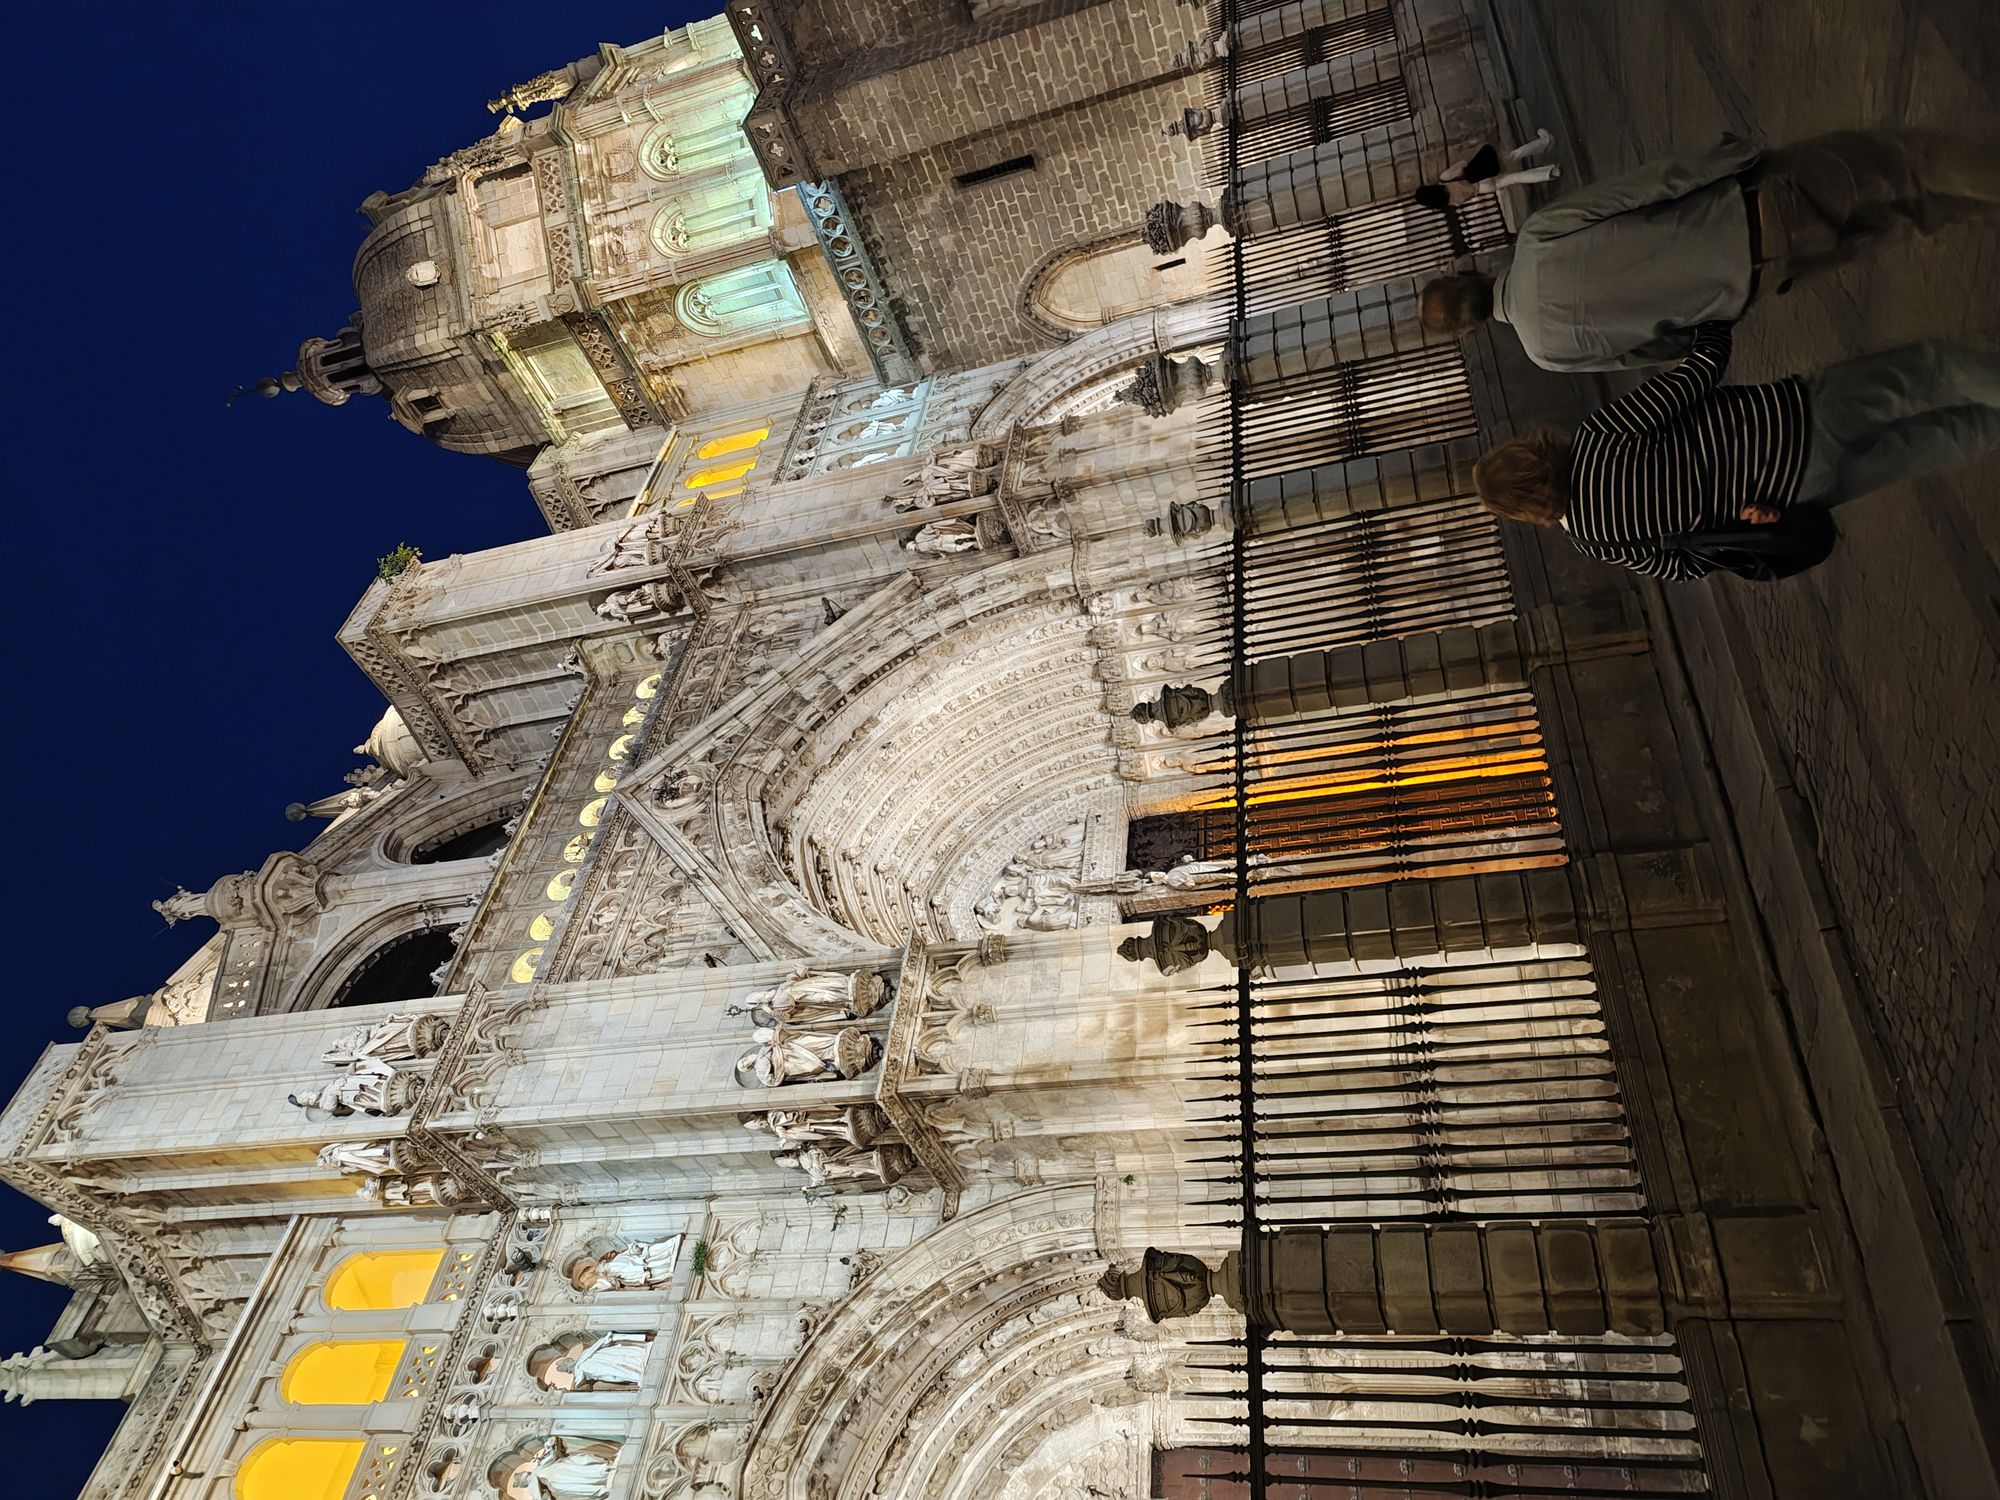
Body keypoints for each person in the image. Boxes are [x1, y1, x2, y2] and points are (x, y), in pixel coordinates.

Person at [1421, 129, 2000, 371]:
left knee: (1902, 221)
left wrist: (1718, 305)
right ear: (1469, 272)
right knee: (1902, 162)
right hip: (1750, 208)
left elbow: (1657, 349)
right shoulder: (1539, 237)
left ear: (1472, 331)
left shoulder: (1547, 355)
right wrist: (1733, 155)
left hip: (1752, 284)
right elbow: (1646, 187)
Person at [1471, 322, 2000, 581]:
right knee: (1931, 369)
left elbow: (1687, 567)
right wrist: (1709, 323)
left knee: (1948, 438)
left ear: (1527, 510)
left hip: (1794, 495)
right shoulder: (1599, 438)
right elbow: (1698, 375)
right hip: (1794, 421)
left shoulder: (1595, 539)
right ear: (1530, 450)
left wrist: (1740, 515)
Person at [1412, 129, 1558, 210]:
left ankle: (1551, 172)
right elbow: (1462, 164)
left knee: (1517, 178)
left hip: (1484, 188)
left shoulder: (1449, 203)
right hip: (1483, 172)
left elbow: (1467, 197)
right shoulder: (1444, 178)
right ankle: (1545, 141)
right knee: (1515, 155)